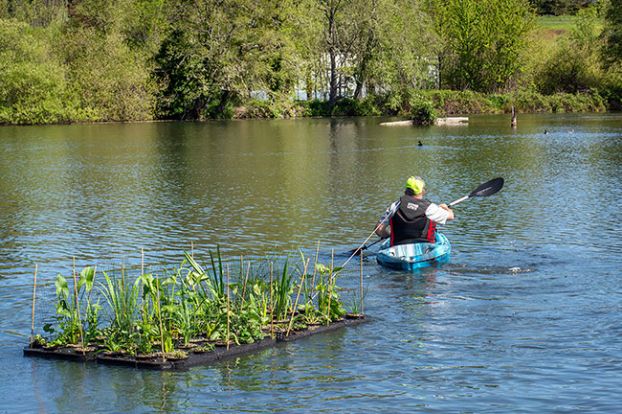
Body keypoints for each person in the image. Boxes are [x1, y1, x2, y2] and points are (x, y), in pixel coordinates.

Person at [375, 176, 454, 246]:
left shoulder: (395, 206)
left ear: (406, 190)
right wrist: (446, 208)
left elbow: (379, 229)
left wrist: (389, 235)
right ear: (422, 191)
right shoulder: (429, 208)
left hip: (397, 249)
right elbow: (451, 217)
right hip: (424, 248)